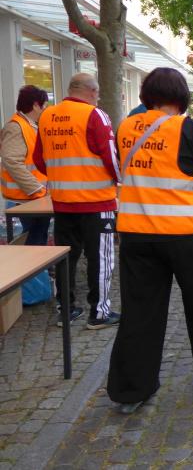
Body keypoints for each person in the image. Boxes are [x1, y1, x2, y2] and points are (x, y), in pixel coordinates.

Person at [107, 67, 193, 414]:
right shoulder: (188, 129)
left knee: (140, 311)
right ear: (182, 96)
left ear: (147, 95)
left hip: (137, 235)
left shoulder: (126, 128)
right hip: (186, 236)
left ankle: (131, 390)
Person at [34, 73, 120, 329]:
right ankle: (99, 313)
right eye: (97, 93)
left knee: (66, 257)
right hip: (97, 201)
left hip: (62, 201)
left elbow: (39, 159)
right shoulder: (95, 115)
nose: (98, 98)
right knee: (100, 258)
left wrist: (62, 177)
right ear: (92, 91)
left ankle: (66, 309)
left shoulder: (47, 116)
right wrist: (120, 181)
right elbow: (110, 156)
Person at [1, 85, 50, 246]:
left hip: (33, 196)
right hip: (27, 198)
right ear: (35, 105)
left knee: (38, 237)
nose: (45, 110)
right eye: (44, 105)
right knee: (34, 240)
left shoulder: (28, 125)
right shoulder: (16, 127)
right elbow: (12, 161)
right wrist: (37, 189)